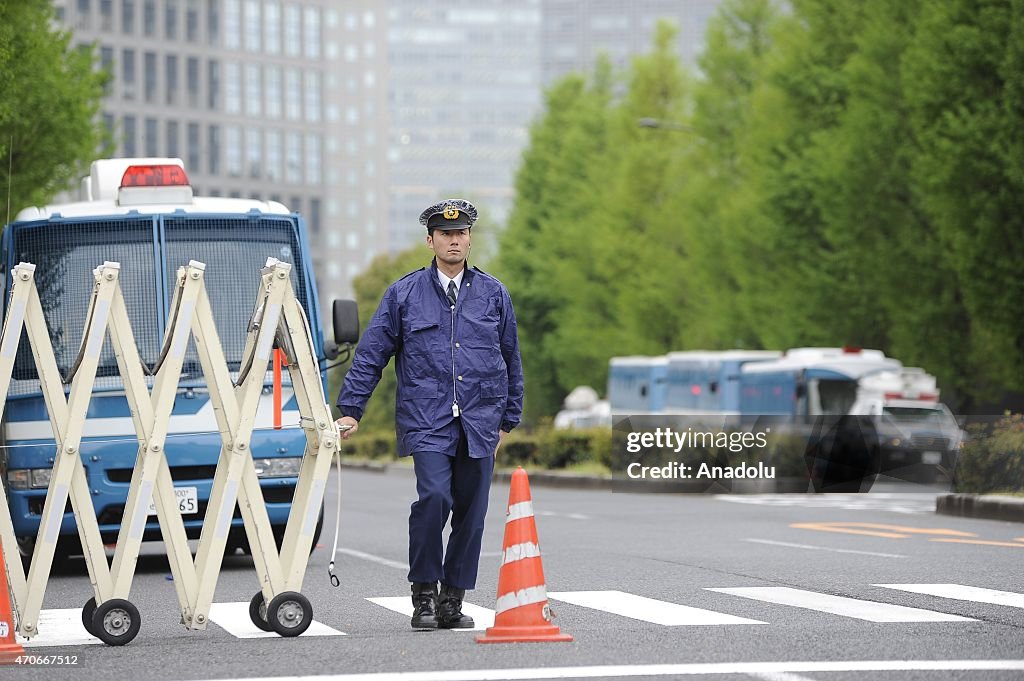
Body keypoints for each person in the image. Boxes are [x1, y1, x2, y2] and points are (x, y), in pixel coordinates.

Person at [335, 198, 524, 630]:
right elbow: (371, 354)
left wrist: (508, 419)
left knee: (472, 515)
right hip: (427, 418)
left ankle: (452, 601)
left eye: (460, 234)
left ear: (470, 239)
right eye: (445, 234)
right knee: (435, 498)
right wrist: (351, 409)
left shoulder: (494, 294)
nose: (453, 240)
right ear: (431, 240)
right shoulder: (403, 294)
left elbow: (511, 358)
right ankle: (423, 594)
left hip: (480, 419)